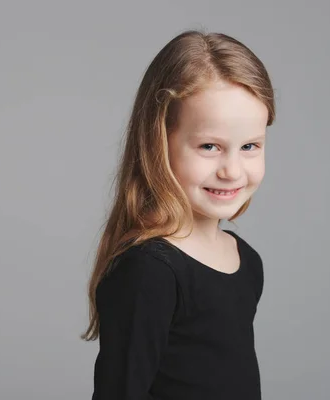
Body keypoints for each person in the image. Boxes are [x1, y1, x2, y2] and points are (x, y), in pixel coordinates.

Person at [81, 29, 276, 400]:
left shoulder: (247, 262)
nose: (232, 170)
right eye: (209, 146)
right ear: (158, 144)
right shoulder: (148, 271)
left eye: (249, 146)